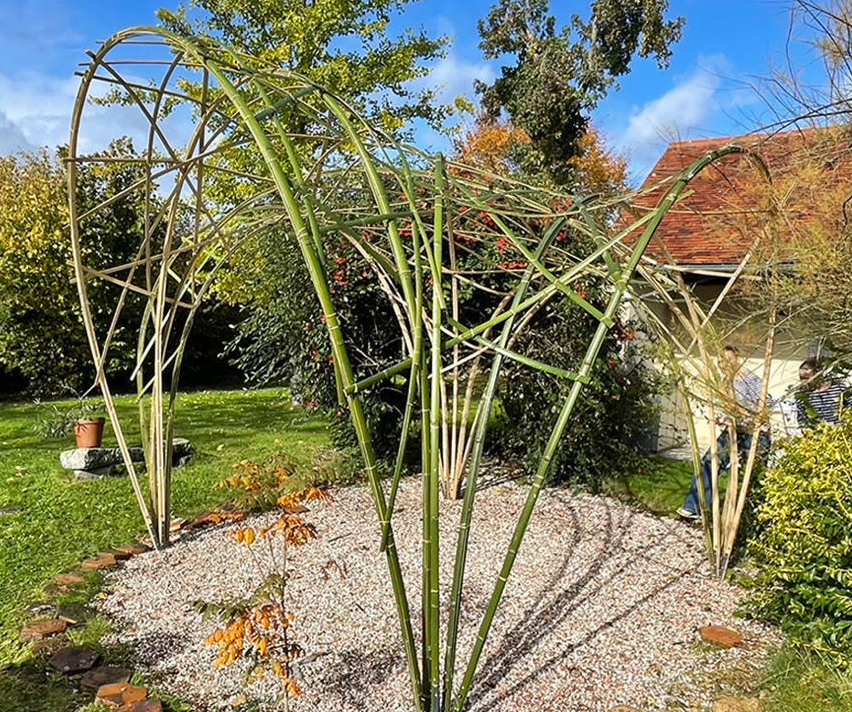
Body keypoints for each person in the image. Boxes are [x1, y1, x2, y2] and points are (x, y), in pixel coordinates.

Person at [677, 345, 771, 520]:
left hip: (755, 434)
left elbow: (764, 408)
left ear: (737, 358)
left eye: (728, 360)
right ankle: (693, 507)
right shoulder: (726, 382)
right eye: (720, 361)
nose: (723, 364)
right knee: (709, 462)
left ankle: (755, 516)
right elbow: (726, 409)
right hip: (734, 432)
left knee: (754, 477)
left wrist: (739, 414)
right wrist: (722, 418)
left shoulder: (751, 380)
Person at [795, 358, 848, 429]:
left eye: (806, 378)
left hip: (841, 432)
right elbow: (802, 419)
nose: (803, 382)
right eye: (801, 378)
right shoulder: (803, 396)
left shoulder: (839, 388)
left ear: (818, 375)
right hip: (818, 435)